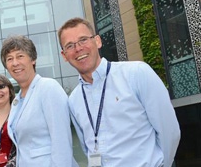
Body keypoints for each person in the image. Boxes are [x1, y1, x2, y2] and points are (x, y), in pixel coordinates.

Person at [58, 17, 181, 167]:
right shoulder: (74, 100)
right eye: (70, 46)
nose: (78, 48)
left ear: (97, 41)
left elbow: (169, 131)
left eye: (83, 39)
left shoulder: (136, 73)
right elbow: (87, 146)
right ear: (64, 55)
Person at [0, 35, 77, 166]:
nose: (15, 63)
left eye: (20, 56)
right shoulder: (17, 101)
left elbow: (61, 141)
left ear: (33, 59)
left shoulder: (48, 87)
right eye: (9, 59)